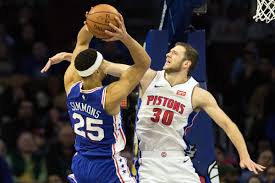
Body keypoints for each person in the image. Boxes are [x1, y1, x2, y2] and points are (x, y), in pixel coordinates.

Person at [43, 38, 265, 182]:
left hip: (179, 161)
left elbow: (227, 124)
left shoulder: (197, 93)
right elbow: (102, 66)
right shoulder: (149, 77)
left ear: (187, 63)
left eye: (175, 53)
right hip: (148, 161)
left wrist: (244, 155)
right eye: (169, 52)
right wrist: (71, 58)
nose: (168, 55)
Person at [41, 12, 150, 183]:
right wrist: (124, 36)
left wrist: (90, 24)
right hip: (107, 166)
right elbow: (144, 64)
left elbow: (82, 42)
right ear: (99, 70)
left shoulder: (70, 84)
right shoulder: (110, 96)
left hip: (81, 163)